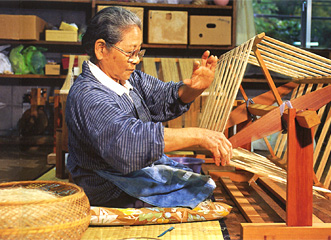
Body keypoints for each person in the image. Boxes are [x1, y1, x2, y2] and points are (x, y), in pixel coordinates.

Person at [65, 6, 232, 209]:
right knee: (194, 197)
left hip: (131, 173)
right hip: (107, 185)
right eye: (129, 52)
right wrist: (198, 136)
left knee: (200, 185)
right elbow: (128, 140)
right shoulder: (88, 95)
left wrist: (193, 89)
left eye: (138, 52)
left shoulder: (129, 78)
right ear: (101, 49)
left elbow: (162, 96)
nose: (136, 60)